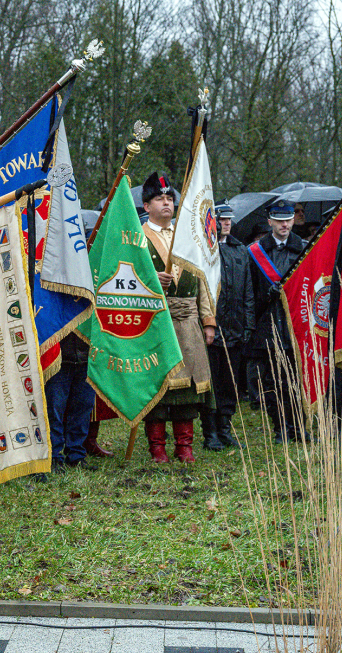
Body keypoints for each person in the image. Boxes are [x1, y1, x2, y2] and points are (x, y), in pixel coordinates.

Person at [140, 172, 216, 464]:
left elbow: (202, 282)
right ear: (147, 206)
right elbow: (124, 279)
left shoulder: (189, 237)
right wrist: (149, 278)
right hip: (154, 323)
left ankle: (185, 447)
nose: (166, 203)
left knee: (188, 388)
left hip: (188, 322)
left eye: (170, 198)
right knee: (158, 385)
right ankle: (157, 447)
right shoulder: (135, 237)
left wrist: (208, 321)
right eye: (159, 198)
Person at [247, 199, 306, 443]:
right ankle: (280, 428)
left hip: (297, 325)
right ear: (269, 221)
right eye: (279, 220)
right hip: (268, 325)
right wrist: (265, 296)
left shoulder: (305, 249)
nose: (284, 224)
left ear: (294, 220)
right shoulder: (255, 252)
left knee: (298, 380)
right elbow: (248, 291)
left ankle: (300, 428)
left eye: (288, 219)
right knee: (273, 382)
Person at [200, 204, 254, 450]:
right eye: (222, 219)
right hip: (212, 329)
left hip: (236, 328)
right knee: (211, 383)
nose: (226, 223)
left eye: (229, 219)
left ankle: (225, 429)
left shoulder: (240, 249)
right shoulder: (203, 250)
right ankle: (209, 432)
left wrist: (248, 325)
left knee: (231, 384)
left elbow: (248, 291)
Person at [45, 333, 97, 472]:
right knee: (54, 409)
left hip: (88, 357)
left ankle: (76, 455)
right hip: (57, 358)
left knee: (83, 408)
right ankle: (53, 456)